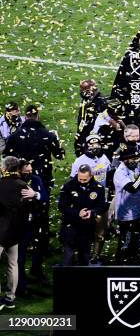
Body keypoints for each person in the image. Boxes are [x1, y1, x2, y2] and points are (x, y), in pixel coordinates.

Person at [4, 105, 65, 262]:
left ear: (25, 116)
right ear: (38, 116)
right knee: (41, 214)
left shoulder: (15, 135)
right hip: (42, 180)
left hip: (20, 180)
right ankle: (41, 247)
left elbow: (7, 158)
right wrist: (57, 139)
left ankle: (15, 245)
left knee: (17, 211)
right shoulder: (48, 135)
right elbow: (60, 155)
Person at [58, 164, 106, 266]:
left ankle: (83, 280)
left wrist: (92, 212)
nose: (82, 182)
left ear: (91, 176)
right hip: (70, 225)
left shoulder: (99, 188)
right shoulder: (68, 186)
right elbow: (62, 206)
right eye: (80, 179)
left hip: (87, 227)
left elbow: (101, 206)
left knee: (84, 256)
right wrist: (77, 213)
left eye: (85, 180)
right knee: (68, 256)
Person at [0, 156, 29, 310]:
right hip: (15, 232)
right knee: (13, 265)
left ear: (4, 168)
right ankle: (10, 299)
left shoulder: (0, 184)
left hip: (0, 232)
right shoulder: (23, 185)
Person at [16, 159, 48, 294]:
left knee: (40, 247)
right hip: (19, 224)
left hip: (36, 220)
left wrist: (35, 194)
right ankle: (20, 285)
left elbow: (44, 196)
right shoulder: (13, 182)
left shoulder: (36, 179)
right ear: (19, 171)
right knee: (20, 255)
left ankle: (36, 271)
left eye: (30, 171)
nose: (29, 173)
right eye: (26, 172)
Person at [113, 146, 140, 264]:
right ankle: (119, 263)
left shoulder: (136, 165)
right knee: (125, 241)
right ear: (124, 160)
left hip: (137, 209)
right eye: (132, 159)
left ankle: (133, 259)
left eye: (136, 158)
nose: (135, 161)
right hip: (125, 213)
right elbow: (132, 188)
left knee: (137, 237)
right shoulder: (120, 173)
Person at [74, 79, 107, 156]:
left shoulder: (101, 102)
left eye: (84, 90)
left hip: (93, 137)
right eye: (81, 90)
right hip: (83, 133)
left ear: (91, 89)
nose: (82, 92)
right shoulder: (86, 99)